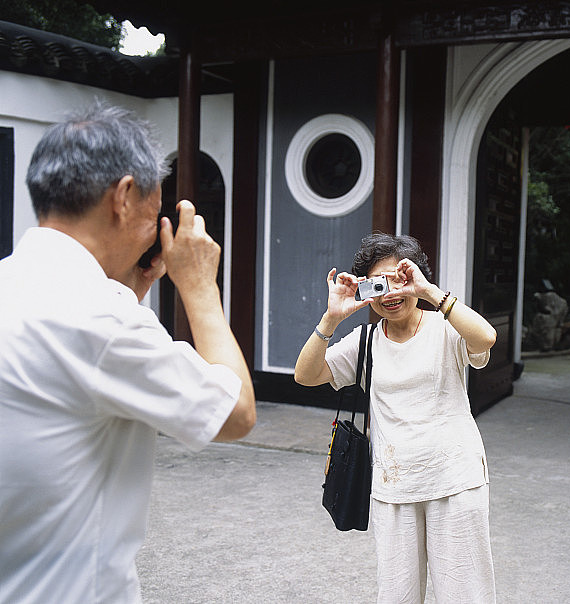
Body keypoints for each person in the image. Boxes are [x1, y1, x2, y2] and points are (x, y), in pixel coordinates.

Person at [0, 102, 256, 603]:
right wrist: (200, 287)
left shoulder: (19, 284)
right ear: (122, 197)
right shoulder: (102, 317)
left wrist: (129, 294)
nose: (153, 229)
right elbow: (236, 413)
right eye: (153, 211)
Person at [295, 233, 498, 603]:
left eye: (398, 280)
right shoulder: (366, 340)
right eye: (378, 285)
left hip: (455, 479)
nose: (389, 295)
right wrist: (331, 318)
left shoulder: (446, 326)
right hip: (394, 485)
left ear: (415, 277)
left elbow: (485, 338)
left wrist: (430, 292)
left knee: (465, 593)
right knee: (396, 595)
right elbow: (306, 375)